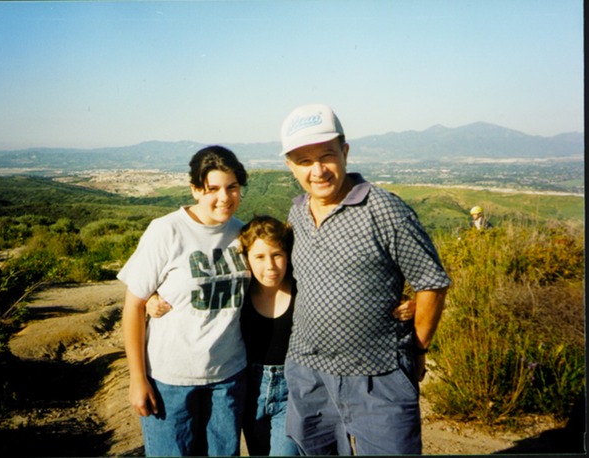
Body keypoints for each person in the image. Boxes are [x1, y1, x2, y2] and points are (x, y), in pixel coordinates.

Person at [147, 214, 417, 456]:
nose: (270, 266)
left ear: (288, 254)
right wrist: (151, 297)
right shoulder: (239, 289)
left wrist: (401, 304)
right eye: (260, 257)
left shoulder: (305, 289)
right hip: (248, 386)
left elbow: (349, 302)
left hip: (293, 386)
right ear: (246, 258)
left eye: (277, 255)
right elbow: (196, 294)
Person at [278, 103, 452, 455]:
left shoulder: (384, 209)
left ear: (345, 152)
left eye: (326, 156)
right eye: (304, 161)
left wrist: (418, 349)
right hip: (308, 373)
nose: (317, 171)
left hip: (379, 374)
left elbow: (431, 282)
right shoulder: (296, 212)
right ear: (290, 166)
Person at [118, 145, 251, 457]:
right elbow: (133, 307)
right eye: (212, 189)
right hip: (170, 380)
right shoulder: (167, 231)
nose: (224, 198)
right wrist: (137, 379)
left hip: (228, 378)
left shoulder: (242, 233)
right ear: (195, 190)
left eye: (232, 188)